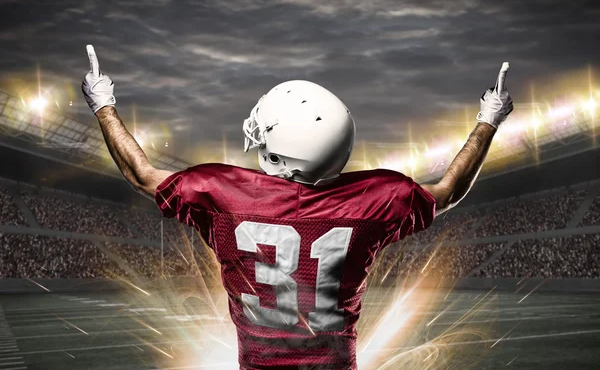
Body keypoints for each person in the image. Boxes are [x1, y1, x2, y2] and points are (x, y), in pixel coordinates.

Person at [82, 44, 512, 370]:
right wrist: (488, 119)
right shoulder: (379, 197)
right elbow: (450, 189)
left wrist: (103, 105)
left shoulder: (220, 191)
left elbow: (141, 174)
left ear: (281, 155)